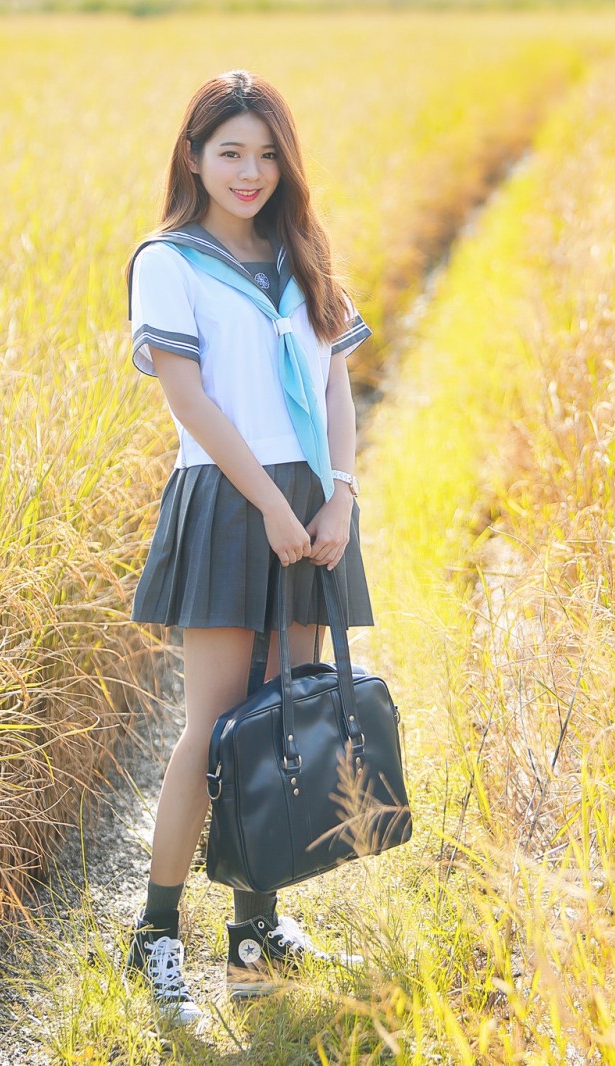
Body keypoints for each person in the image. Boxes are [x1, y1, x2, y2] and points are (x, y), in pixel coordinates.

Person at [119, 69, 376, 1027]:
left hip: (312, 505)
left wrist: (340, 496)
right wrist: (272, 503)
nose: (250, 172)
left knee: (283, 720)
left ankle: (254, 930)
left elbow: (338, 384)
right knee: (214, 726)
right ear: (194, 155)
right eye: (231, 151)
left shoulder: (299, 250)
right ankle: (154, 936)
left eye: (267, 154)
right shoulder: (169, 260)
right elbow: (191, 403)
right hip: (232, 502)